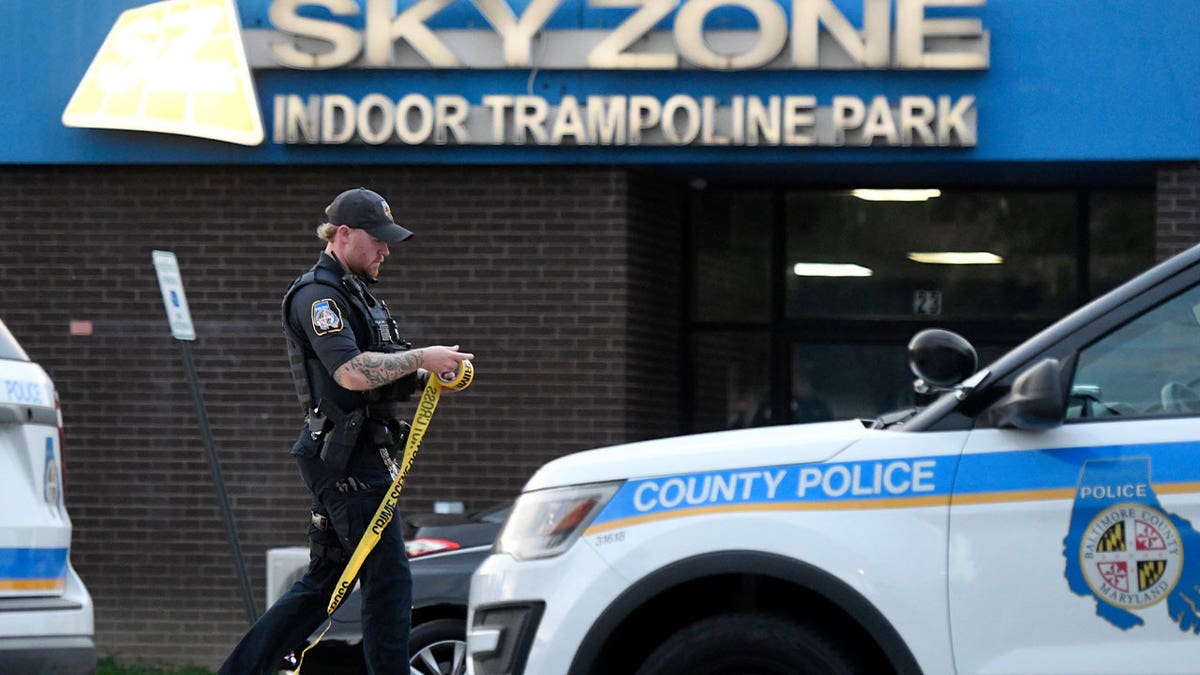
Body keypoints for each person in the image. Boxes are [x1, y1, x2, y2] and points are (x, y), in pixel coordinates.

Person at [218, 187, 473, 675]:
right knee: (389, 581)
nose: (386, 249)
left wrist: (433, 376)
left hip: (357, 455)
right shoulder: (318, 297)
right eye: (377, 239)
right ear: (343, 235)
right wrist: (423, 356)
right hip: (346, 461)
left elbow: (384, 376)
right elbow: (352, 374)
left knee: (324, 585)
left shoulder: (359, 296)